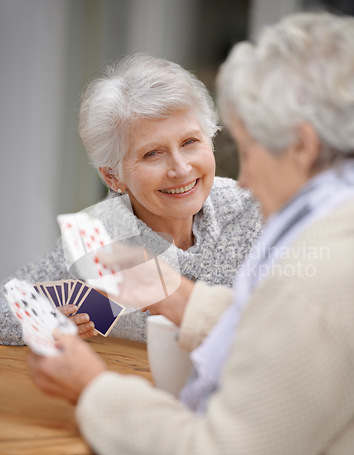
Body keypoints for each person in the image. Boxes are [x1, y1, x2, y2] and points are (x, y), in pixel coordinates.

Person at [29, 11, 354, 455]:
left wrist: (93, 387)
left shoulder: (306, 269)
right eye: (152, 154)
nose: (240, 178)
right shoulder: (334, 228)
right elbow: (289, 335)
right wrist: (183, 299)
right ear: (113, 176)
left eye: (246, 148)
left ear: (302, 147)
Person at [0, 53, 261, 345]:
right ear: (113, 177)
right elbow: (4, 308)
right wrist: (44, 321)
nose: (181, 169)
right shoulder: (97, 234)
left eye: (190, 142)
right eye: (152, 154)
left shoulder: (254, 208)